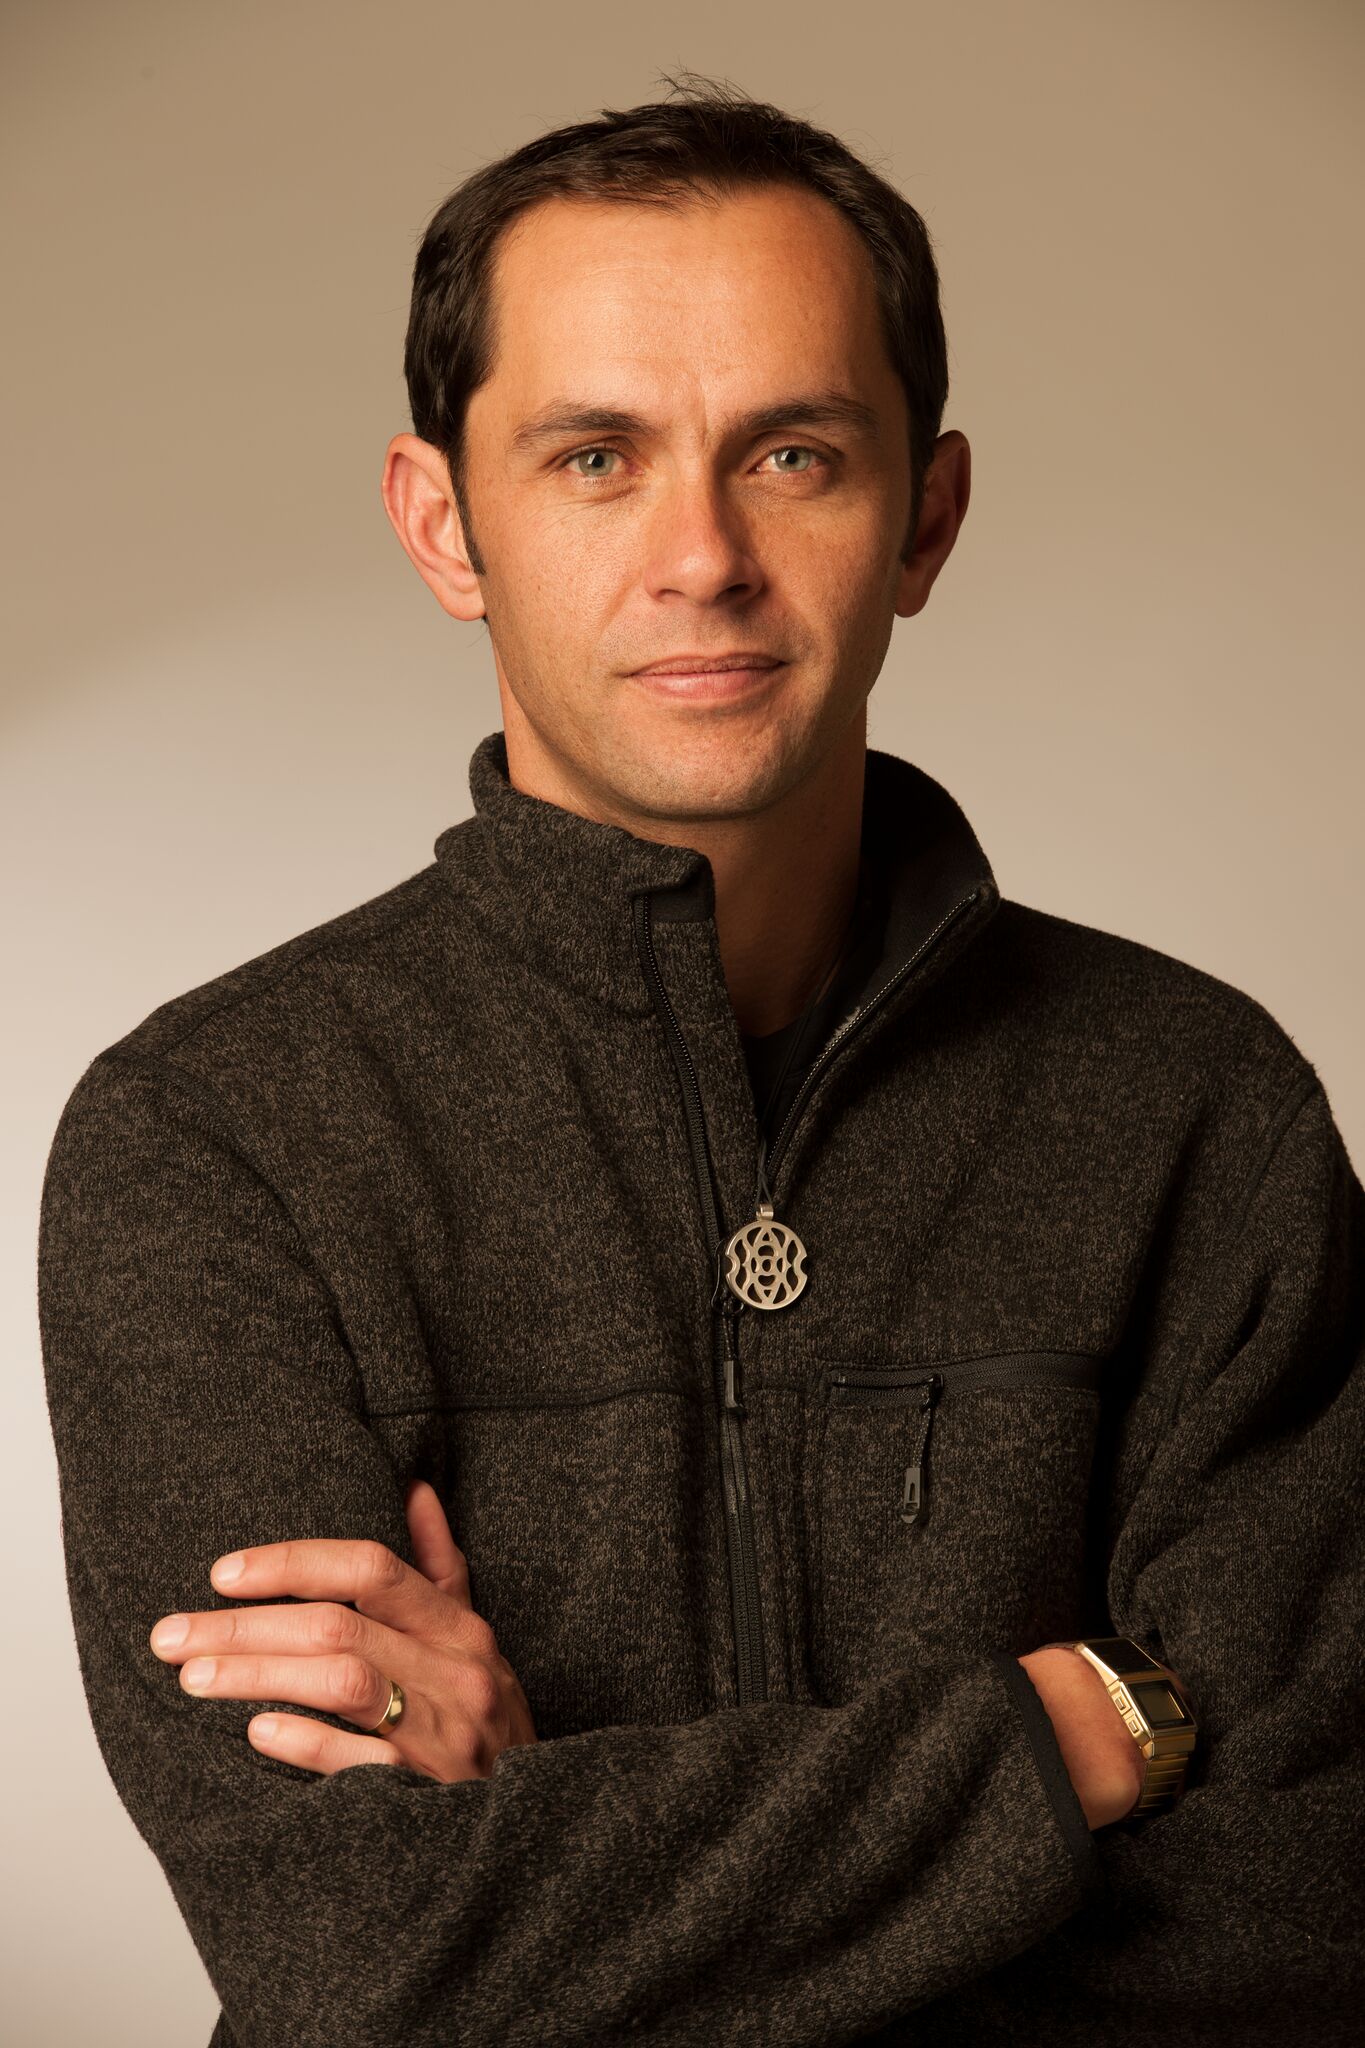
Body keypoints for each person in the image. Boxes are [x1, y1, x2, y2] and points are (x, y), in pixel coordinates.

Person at [38, 71, 1363, 2048]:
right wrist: (1072, 1728)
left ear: (923, 516)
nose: (703, 556)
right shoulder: (212, 1137)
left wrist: (545, 1857)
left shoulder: (1196, 1106)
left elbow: (1306, 1908)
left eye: (792, 454)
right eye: (594, 457)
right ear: (444, 523)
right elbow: (354, 1951)